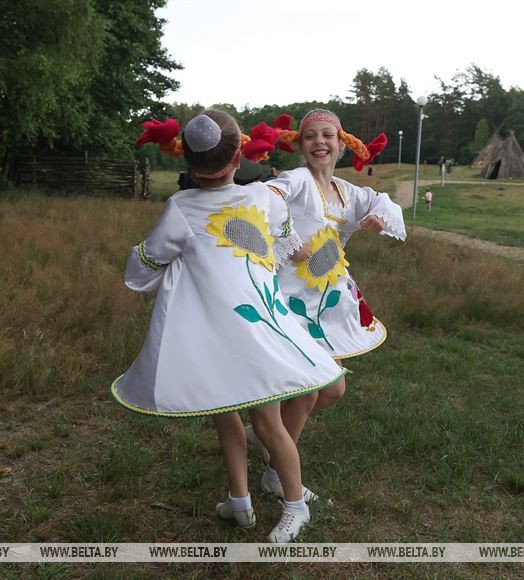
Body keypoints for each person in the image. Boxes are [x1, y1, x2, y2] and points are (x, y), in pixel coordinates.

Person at [115, 110, 346, 543]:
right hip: (257, 321)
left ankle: (294, 506)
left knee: (256, 419)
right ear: (240, 156)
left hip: (226, 330)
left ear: (190, 163)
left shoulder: (180, 208)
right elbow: (285, 241)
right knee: (238, 413)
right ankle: (239, 501)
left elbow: (144, 266)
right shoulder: (261, 197)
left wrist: (175, 274)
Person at [245, 109, 406, 499]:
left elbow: (384, 201)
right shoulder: (298, 180)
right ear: (300, 145)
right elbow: (265, 197)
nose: (320, 142)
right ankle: (276, 470)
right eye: (311, 136)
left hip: (326, 301)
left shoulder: (347, 192)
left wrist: (379, 217)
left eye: (327, 135)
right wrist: (288, 241)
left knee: (332, 390)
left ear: (341, 144)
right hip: (289, 298)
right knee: (310, 390)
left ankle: (266, 434)